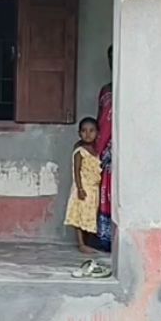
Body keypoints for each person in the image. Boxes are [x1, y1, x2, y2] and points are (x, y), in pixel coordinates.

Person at [65, 117, 103, 254]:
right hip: (83, 187)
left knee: (90, 214)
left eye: (91, 131)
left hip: (93, 189)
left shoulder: (96, 151)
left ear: (97, 133)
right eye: (84, 131)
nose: (88, 134)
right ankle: (81, 243)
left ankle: (88, 243)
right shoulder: (80, 151)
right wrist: (80, 188)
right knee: (80, 214)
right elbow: (76, 171)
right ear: (79, 133)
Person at [94, 45, 115, 253]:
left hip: (121, 150)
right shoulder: (105, 91)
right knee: (103, 191)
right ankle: (104, 237)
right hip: (103, 150)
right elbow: (99, 119)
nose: (112, 62)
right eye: (110, 58)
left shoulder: (133, 90)